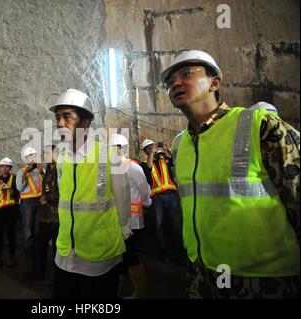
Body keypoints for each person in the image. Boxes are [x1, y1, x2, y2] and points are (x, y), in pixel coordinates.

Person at [162, 49, 300, 298]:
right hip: (201, 274)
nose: (176, 83)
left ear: (215, 82)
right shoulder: (179, 144)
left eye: (187, 74)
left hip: (263, 281)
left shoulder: (259, 125)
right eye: (170, 82)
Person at [49, 88, 131, 299]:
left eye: (67, 116)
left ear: (85, 123)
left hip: (98, 256)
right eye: (58, 117)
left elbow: (122, 197)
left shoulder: (106, 155)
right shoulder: (62, 157)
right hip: (65, 251)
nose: (60, 123)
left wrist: (124, 231)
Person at [109, 134, 152, 298]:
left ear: (122, 149)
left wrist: (147, 203)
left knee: (131, 256)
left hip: (133, 222)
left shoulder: (132, 167)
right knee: (120, 256)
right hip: (117, 221)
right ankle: (118, 289)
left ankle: (140, 292)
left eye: (116, 148)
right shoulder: (111, 168)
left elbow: (145, 190)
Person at [140, 139, 184, 263]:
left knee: (176, 225)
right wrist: (151, 154)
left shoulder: (164, 159)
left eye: (152, 147)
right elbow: (148, 169)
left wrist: (168, 150)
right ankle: (164, 253)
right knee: (159, 226)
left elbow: (176, 162)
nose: (151, 149)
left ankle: (180, 253)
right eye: (148, 148)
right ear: (145, 151)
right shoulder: (145, 163)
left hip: (172, 196)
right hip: (158, 198)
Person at [22, 145, 59, 281]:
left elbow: (63, 193)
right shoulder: (48, 169)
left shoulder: (61, 170)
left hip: (56, 217)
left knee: (56, 250)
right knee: (40, 246)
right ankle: (38, 273)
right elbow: (47, 187)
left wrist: (47, 198)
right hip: (45, 216)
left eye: (48, 153)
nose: (45, 155)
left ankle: (57, 280)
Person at [16, 147, 43, 276]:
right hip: (27, 203)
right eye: (30, 156)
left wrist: (42, 170)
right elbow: (19, 188)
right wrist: (26, 173)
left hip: (39, 202)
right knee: (28, 232)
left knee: (38, 231)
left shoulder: (40, 171)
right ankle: (29, 260)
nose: (32, 158)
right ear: (26, 159)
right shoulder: (21, 171)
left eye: (34, 155)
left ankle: (38, 259)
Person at [0, 157, 19, 268]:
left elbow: (16, 194)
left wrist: (8, 188)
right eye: (2, 166)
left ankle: (12, 256)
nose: (4, 168)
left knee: (11, 234)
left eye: (7, 166)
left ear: (10, 168)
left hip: (11, 210)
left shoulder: (15, 178)